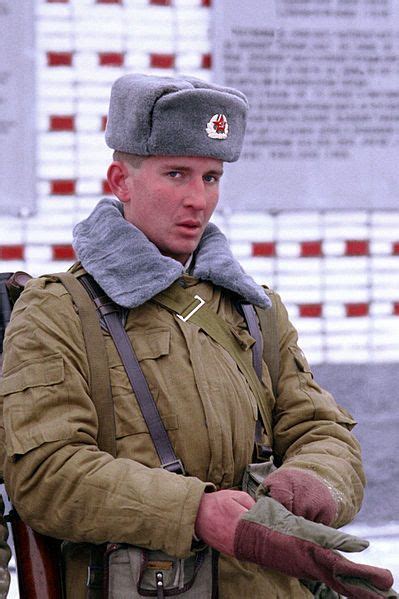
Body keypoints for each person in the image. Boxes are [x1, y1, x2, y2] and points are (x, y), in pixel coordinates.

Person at [0, 73, 392, 598]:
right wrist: (195, 512)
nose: (197, 200)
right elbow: (47, 475)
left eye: (211, 177)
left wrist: (310, 485)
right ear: (121, 181)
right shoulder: (58, 311)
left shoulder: (253, 308)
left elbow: (319, 428)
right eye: (177, 174)